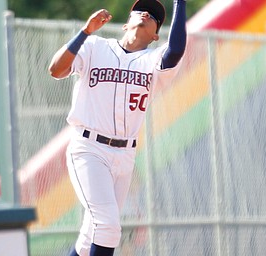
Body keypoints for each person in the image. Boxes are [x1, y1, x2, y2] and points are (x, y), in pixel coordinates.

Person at [48, 0, 186, 255]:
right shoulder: (95, 47)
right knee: (108, 226)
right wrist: (85, 31)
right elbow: (56, 70)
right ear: (125, 23)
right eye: (140, 10)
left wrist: (181, 2)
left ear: (156, 35)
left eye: (154, 16)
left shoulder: (152, 60)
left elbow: (175, 50)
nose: (146, 13)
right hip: (89, 148)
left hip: (124, 157)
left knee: (91, 234)